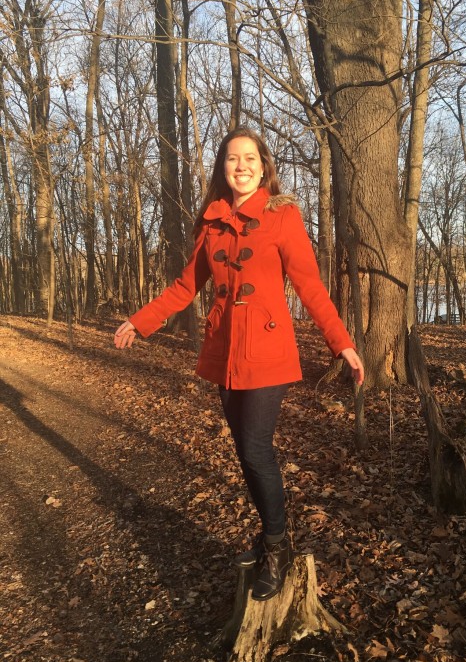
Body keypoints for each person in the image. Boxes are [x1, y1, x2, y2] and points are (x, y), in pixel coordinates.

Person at [114, 127, 364, 601]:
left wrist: (341, 343)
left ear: (264, 165)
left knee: (255, 449)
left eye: (250, 158)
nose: (241, 166)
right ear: (222, 168)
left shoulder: (282, 216)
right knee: (244, 451)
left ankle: (277, 544)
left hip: (269, 353)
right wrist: (141, 321)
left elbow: (309, 285)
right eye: (232, 159)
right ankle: (270, 531)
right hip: (225, 353)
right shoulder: (210, 223)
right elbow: (185, 287)